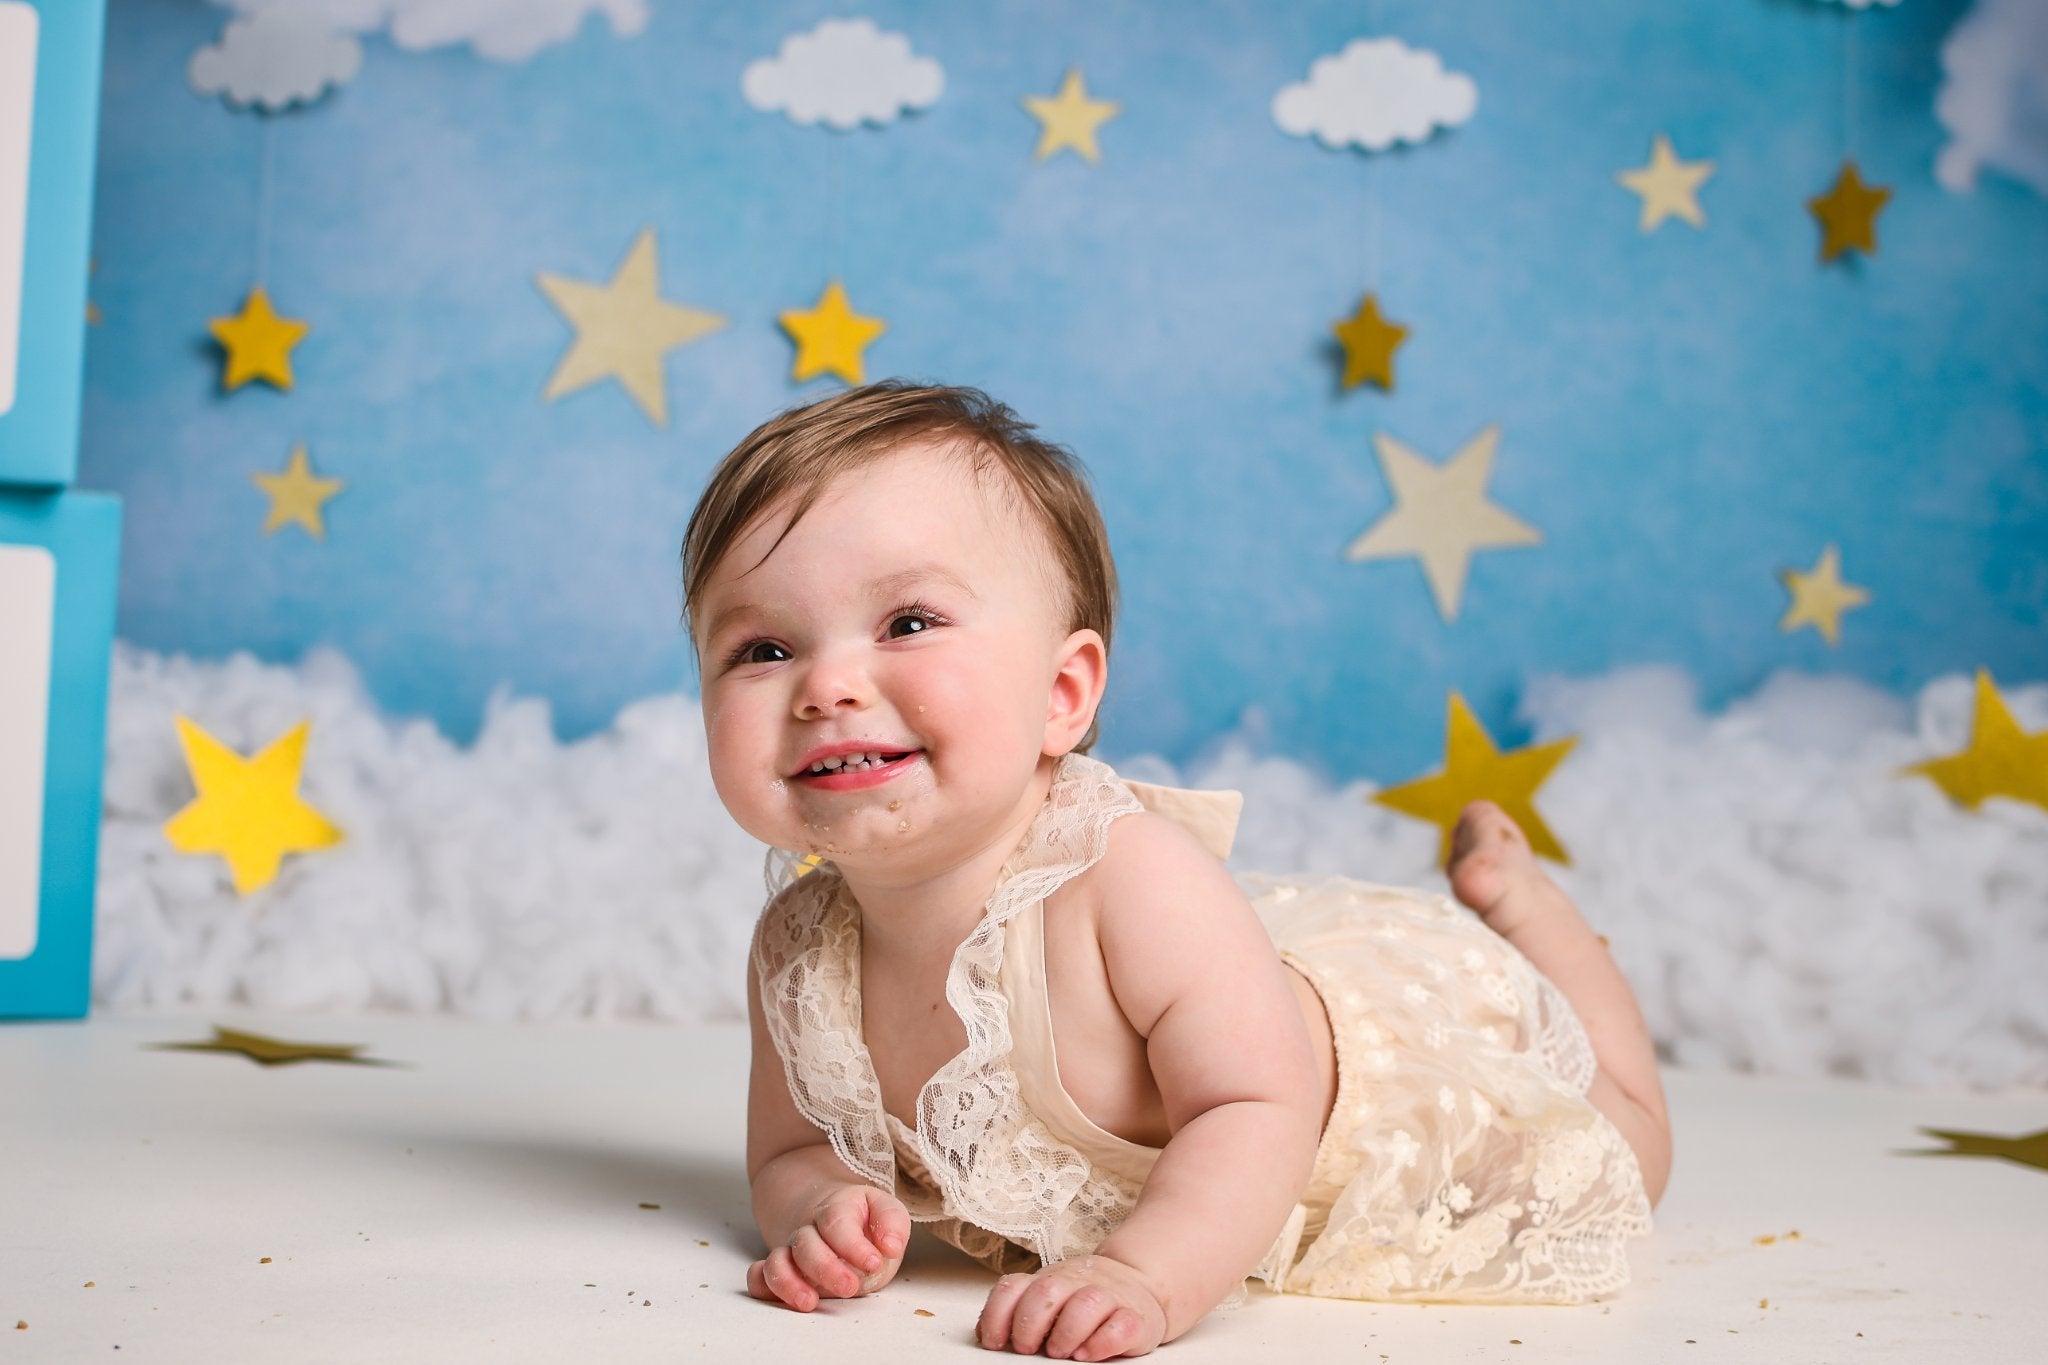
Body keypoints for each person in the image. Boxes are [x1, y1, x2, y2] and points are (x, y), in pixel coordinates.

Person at [682, 382, 1666, 1361]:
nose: (826, 687)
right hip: (1238, 1055)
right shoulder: (798, 948)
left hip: (1366, 1116)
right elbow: (788, 1151)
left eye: (906, 623)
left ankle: (1538, 923)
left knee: (1625, 1152)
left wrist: (1143, 1274)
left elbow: (1254, 1107)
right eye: (762, 648)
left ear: (1061, 695)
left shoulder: (1125, 877)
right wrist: (822, 1207)